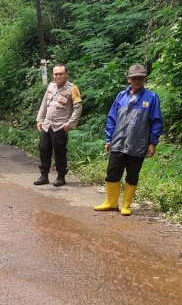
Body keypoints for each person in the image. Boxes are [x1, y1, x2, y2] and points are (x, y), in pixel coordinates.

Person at [94, 64, 163, 215]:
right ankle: (111, 202)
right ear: (129, 79)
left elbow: (156, 121)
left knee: (132, 175)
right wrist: (108, 139)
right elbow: (112, 118)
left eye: (141, 78)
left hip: (138, 144)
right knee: (112, 172)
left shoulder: (151, 97)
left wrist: (153, 142)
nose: (137, 81)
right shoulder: (121, 96)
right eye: (134, 78)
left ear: (145, 79)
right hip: (118, 142)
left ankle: (126, 205)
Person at [34, 64, 83, 187]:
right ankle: (44, 175)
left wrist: (70, 124)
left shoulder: (72, 88)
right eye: (56, 74)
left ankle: (61, 176)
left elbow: (78, 107)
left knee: (59, 152)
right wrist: (39, 120)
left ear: (66, 74)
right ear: (53, 75)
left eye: (61, 73)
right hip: (47, 125)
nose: (58, 76)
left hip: (60, 126)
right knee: (44, 149)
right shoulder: (51, 86)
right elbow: (44, 104)